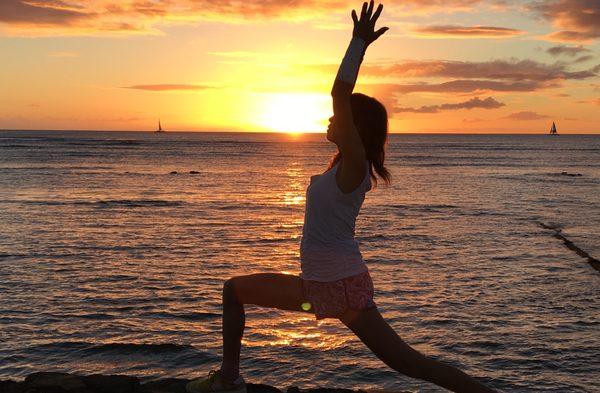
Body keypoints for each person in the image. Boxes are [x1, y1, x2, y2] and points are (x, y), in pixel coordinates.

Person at [186, 2, 496, 392]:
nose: (330, 120)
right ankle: (229, 380)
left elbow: (339, 91)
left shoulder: (355, 164)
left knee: (412, 364)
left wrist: (358, 44)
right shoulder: (343, 168)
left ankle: (229, 382)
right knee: (236, 290)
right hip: (322, 287)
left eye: (341, 117)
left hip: (335, 288)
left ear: (355, 127)